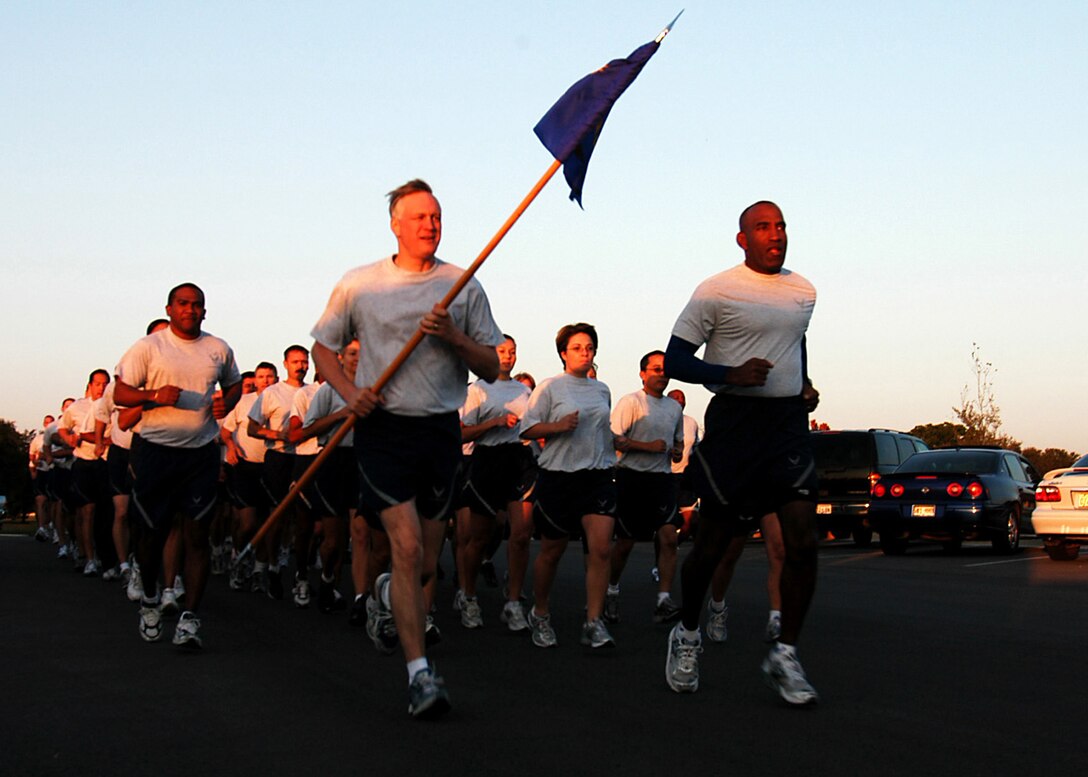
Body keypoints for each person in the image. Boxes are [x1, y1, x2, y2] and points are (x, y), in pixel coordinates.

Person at [310, 179, 502, 719]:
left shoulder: (462, 284)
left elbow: (490, 364)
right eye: (418, 217)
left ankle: (389, 593)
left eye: (436, 215)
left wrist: (453, 338)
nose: (430, 224)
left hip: (440, 430)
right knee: (410, 544)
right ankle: (420, 676)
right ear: (395, 224)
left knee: (423, 567)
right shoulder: (361, 284)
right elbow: (322, 349)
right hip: (384, 430)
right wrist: (350, 395)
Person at [663, 200, 821, 705]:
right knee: (712, 546)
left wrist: (804, 383)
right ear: (742, 239)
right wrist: (727, 374)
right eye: (762, 227)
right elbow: (675, 359)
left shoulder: (804, 291)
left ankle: (785, 653)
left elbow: (793, 344)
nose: (774, 235)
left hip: (787, 427)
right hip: (736, 423)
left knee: (802, 540)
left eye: (780, 227)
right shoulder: (717, 290)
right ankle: (687, 632)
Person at [114, 282, 242, 649]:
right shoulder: (148, 347)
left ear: (205, 311)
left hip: (200, 453)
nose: (190, 309)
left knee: (196, 535)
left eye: (197, 305)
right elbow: (120, 393)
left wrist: (227, 404)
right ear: (169, 309)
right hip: (155, 451)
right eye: (182, 303)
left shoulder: (218, 348)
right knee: (150, 536)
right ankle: (151, 599)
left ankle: (190, 618)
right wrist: (152, 396)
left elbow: (234, 384)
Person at [519, 323, 617, 650]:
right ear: (563, 353)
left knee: (602, 549)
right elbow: (527, 430)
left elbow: (603, 432)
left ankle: (593, 621)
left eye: (590, 347)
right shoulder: (550, 387)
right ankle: (540, 611)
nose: (585, 353)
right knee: (552, 550)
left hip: (598, 474)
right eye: (577, 347)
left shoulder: (602, 389)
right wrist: (558, 427)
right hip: (559, 475)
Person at [457, 334, 534, 632]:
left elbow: (533, 426)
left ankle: (513, 601)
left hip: (519, 460)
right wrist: (495, 423)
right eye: (501, 351)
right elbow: (461, 434)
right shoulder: (477, 390)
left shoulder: (524, 391)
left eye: (512, 352)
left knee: (522, 534)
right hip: (486, 460)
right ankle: (468, 595)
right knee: (479, 537)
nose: (508, 356)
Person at [606, 350, 685, 625]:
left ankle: (663, 600)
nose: (661, 374)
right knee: (625, 542)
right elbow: (614, 439)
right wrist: (647, 447)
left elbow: (678, 442)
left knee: (669, 538)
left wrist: (676, 452)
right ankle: (611, 590)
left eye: (665, 369)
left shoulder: (674, 408)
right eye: (655, 369)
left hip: (662, 480)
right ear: (643, 374)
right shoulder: (631, 402)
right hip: (631, 477)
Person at [247, 344, 310, 599]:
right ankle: (271, 566)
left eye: (304, 361)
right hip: (279, 457)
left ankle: (301, 572)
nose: (301, 366)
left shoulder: (314, 392)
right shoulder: (272, 393)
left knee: (305, 519)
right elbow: (252, 428)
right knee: (277, 515)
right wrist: (277, 434)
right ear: (285, 364)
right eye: (295, 361)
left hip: (306, 458)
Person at [704, 512, 785, 643]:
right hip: (743, 498)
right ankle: (717, 608)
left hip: (768, 496)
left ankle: (776, 618)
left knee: (779, 550)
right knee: (729, 555)